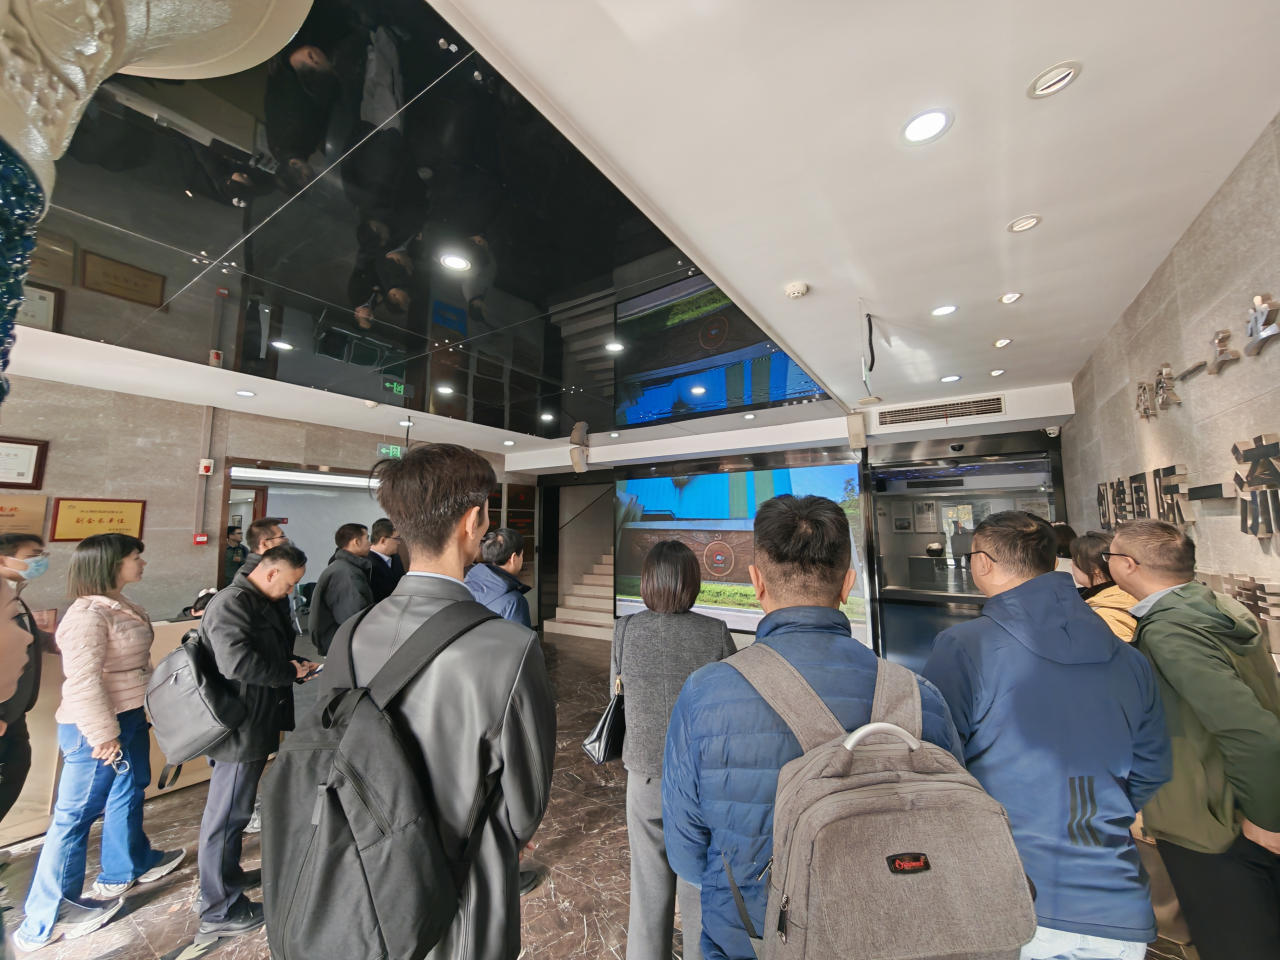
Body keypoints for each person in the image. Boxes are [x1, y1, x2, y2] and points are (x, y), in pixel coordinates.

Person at [663, 495, 963, 960]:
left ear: (756, 581)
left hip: (751, 941)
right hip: (895, 939)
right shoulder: (921, 697)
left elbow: (686, 855)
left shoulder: (704, 694)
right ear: (848, 584)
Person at [922, 511, 1171, 960]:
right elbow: (1152, 768)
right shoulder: (1129, 656)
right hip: (1115, 902)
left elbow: (936, 764)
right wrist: (1092, 809)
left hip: (1009, 895)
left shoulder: (965, 646)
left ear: (982, 563)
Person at [349, 443, 555, 960]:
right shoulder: (508, 645)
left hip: (362, 868)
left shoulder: (351, 633)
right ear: (473, 521)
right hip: (465, 873)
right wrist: (512, 836)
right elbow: (526, 798)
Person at [1108, 519, 1280, 960]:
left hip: (1212, 820)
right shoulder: (1216, 606)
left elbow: (1248, 728)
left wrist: (1267, 816)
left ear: (1127, 564)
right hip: (1238, 799)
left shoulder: (1169, 630)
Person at [15, 534, 186, 951]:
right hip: (96, 726)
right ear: (110, 563)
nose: (142, 563)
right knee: (75, 816)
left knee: (128, 791)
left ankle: (126, 866)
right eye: (135, 557)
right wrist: (103, 733)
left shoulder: (120, 604)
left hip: (128, 715)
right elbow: (83, 681)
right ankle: (49, 914)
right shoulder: (86, 615)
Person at [196, 543, 319, 944]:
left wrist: (294, 666)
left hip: (254, 720)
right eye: (289, 585)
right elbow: (236, 663)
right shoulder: (232, 604)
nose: (290, 592)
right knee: (226, 816)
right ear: (270, 573)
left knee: (234, 811)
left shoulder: (256, 601)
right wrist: (287, 671)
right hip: (239, 727)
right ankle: (219, 909)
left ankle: (227, 877)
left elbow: (264, 651)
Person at [617, 540, 734, 960]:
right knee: (699, 884)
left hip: (644, 774)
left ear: (647, 581)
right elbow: (729, 707)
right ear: (692, 582)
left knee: (647, 887)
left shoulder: (625, 629)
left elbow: (617, 695)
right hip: (700, 780)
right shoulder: (715, 632)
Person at [0, 533, 52, 822]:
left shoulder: (12, 595)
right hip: (3, 711)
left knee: (16, 767)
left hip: (14, 711)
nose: (40, 562)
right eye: (32, 556)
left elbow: (27, 636)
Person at [311, 523, 374, 655]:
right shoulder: (346, 574)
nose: (370, 543)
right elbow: (351, 619)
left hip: (339, 642)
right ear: (356, 542)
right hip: (342, 646)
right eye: (367, 538)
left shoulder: (344, 566)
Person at [1069, 531, 1137, 641]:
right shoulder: (1123, 596)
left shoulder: (1105, 614)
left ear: (1095, 568)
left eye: (1074, 560)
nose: (1071, 564)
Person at [464, 528, 532, 627]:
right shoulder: (514, 601)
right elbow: (522, 636)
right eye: (521, 555)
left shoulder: (466, 585)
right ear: (513, 558)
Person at [367, 517, 406, 603]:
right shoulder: (367, 563)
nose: (399, 542)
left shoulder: (395, 557)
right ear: (383, 540)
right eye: (397, 538)